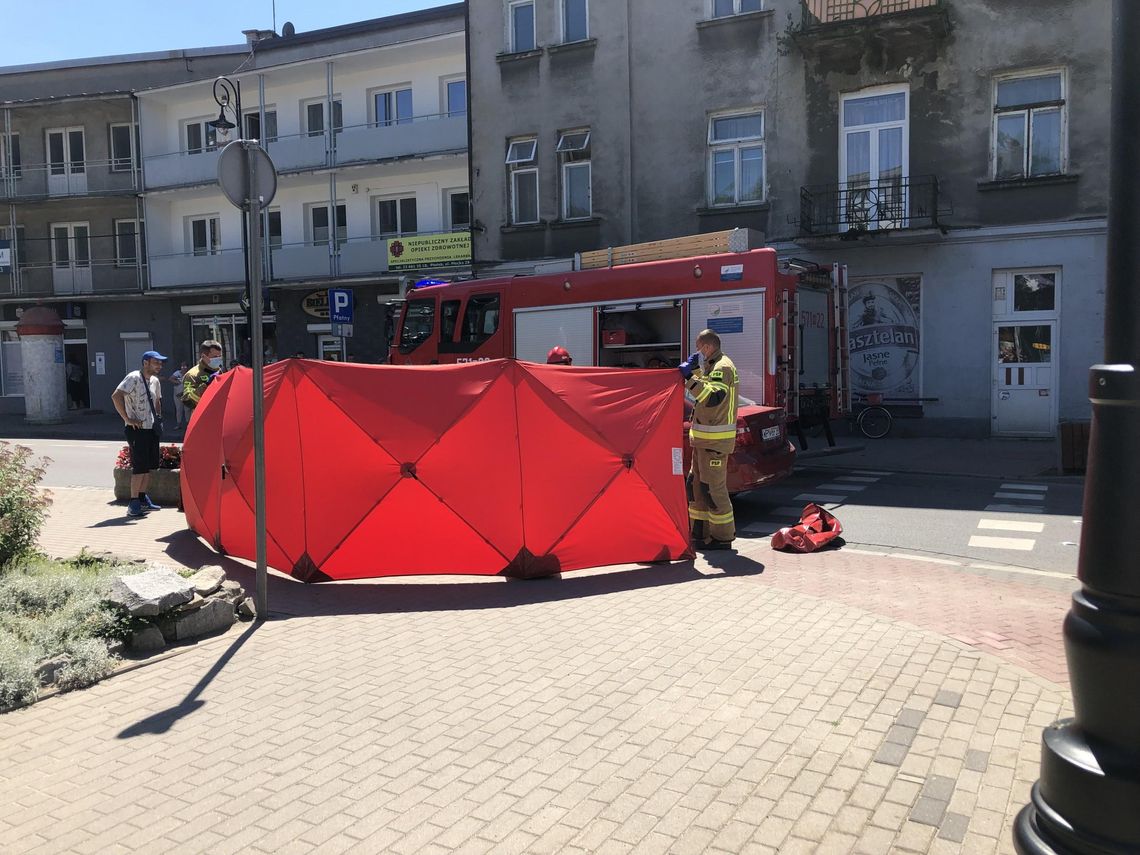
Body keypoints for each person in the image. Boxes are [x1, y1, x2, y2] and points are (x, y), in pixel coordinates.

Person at [679, 329, 739, 551]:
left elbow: (712, 398)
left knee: (713, 489)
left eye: (699, 347)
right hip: (704, 442)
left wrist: (688, 378)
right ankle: (699, 534)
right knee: (696, 487)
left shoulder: (722, 367)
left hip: (714, 443)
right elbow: (706, 387)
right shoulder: (713, 366)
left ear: (707, 346)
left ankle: (722, 537)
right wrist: (695, 371)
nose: (698, 352)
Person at [111, 350, 168, 518]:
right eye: (156, 362)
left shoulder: (156, 381)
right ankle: (133, 502)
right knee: (139, 466)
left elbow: (157, 400)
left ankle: (143, 499)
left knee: (148, 466)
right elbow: (116, 396)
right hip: (137, 430)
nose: (159, 366)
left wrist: (158, 417)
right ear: (145, 363)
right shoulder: (133, 377)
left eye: (160, 363)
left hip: (151, 429)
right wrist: (127, 419)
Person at [181, 339, 224, 415]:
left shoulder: (220, 371)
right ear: (203, 356)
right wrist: (206, 385)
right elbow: (188, 401)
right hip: (203, 416)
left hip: (221, 414)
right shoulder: (192, 375)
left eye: (220, 356)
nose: (218, 359)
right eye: (215, 357)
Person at [167, 361, 188, 428]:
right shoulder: (177, 373)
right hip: (177, 395)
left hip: (186, 394)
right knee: (179, 409)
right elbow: (170, 379)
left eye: (185, 366)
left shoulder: (189, 373)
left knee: (187, 409)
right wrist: (177, 382)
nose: (183, 367)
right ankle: (178, 424)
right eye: (182, 366)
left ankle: (188, 424)